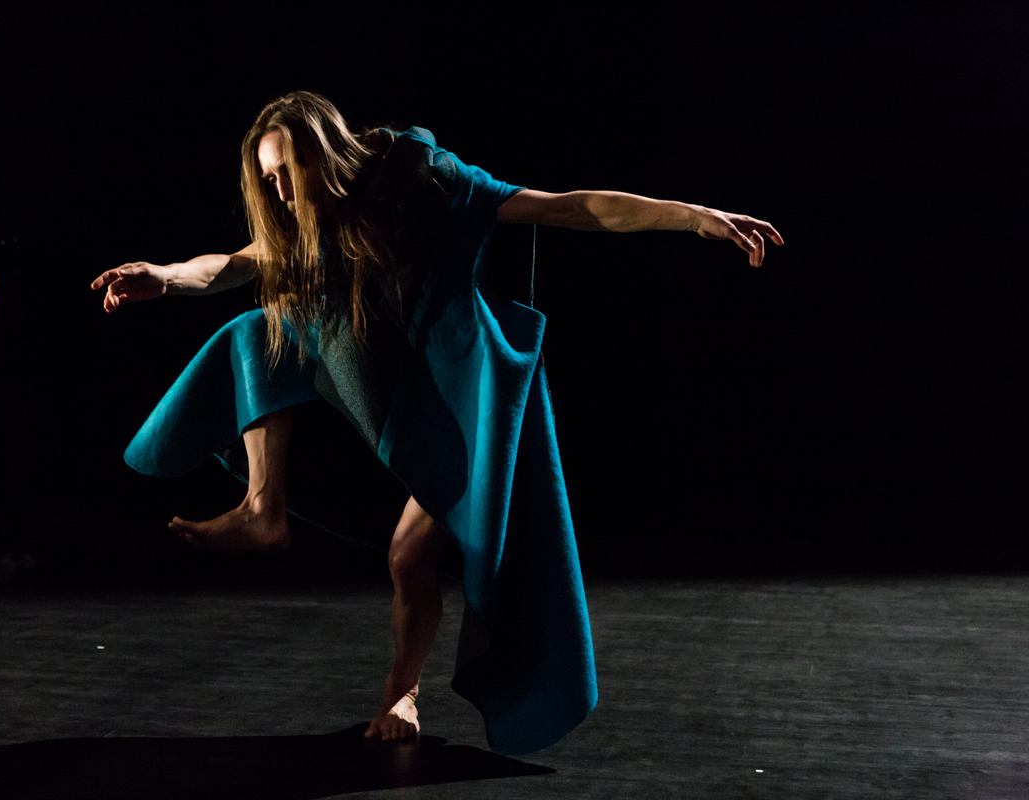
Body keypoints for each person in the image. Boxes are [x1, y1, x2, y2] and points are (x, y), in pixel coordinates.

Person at [91, 91, 782, 753]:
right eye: (267, 180)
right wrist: (165, 275)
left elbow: (565, 208)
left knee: (408, 557)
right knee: (254, 333)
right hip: (378, 392)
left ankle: (402, 690)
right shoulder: (305, 224)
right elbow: (236, 264)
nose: (280, 194)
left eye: (288, 172)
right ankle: (262, 507)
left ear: (325, 152)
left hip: (452, 408)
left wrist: (693, 216)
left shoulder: (417, 177)